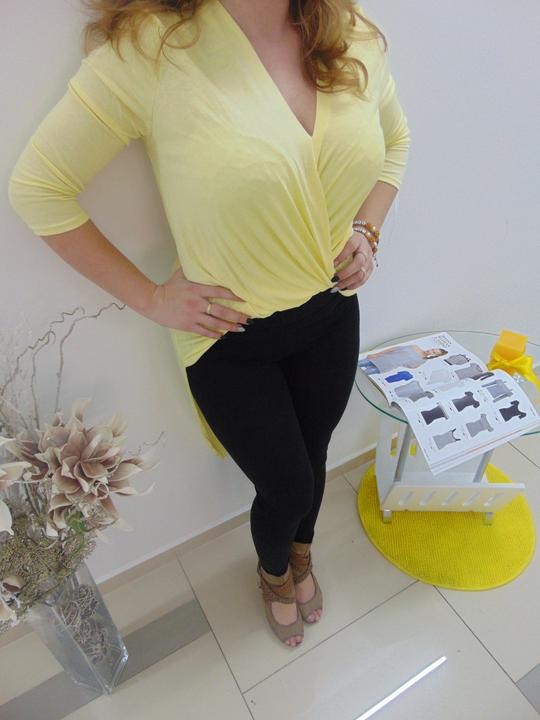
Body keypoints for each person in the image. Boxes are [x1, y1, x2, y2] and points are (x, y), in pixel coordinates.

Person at [7, 0, 411, 647]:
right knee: (286, 483)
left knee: (313, 456)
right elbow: (38, 189)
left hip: (331, 311)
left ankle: (301, 554)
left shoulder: (344, 23)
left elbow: (395, 144)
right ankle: (275, 573)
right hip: (229, 337)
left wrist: (368, 230)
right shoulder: (152, 49)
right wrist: (149, 297)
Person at [359, 346, 448, 374]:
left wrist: (399, 363)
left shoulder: (423, 360)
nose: (431, 351)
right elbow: (393, 349)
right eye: (433, 349)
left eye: (434, 352)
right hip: (378, 358)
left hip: (385, 367)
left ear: (435, 355)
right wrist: (376, 354)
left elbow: (412, 366)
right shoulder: (415, 347)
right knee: (355, 365)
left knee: (361, 375)